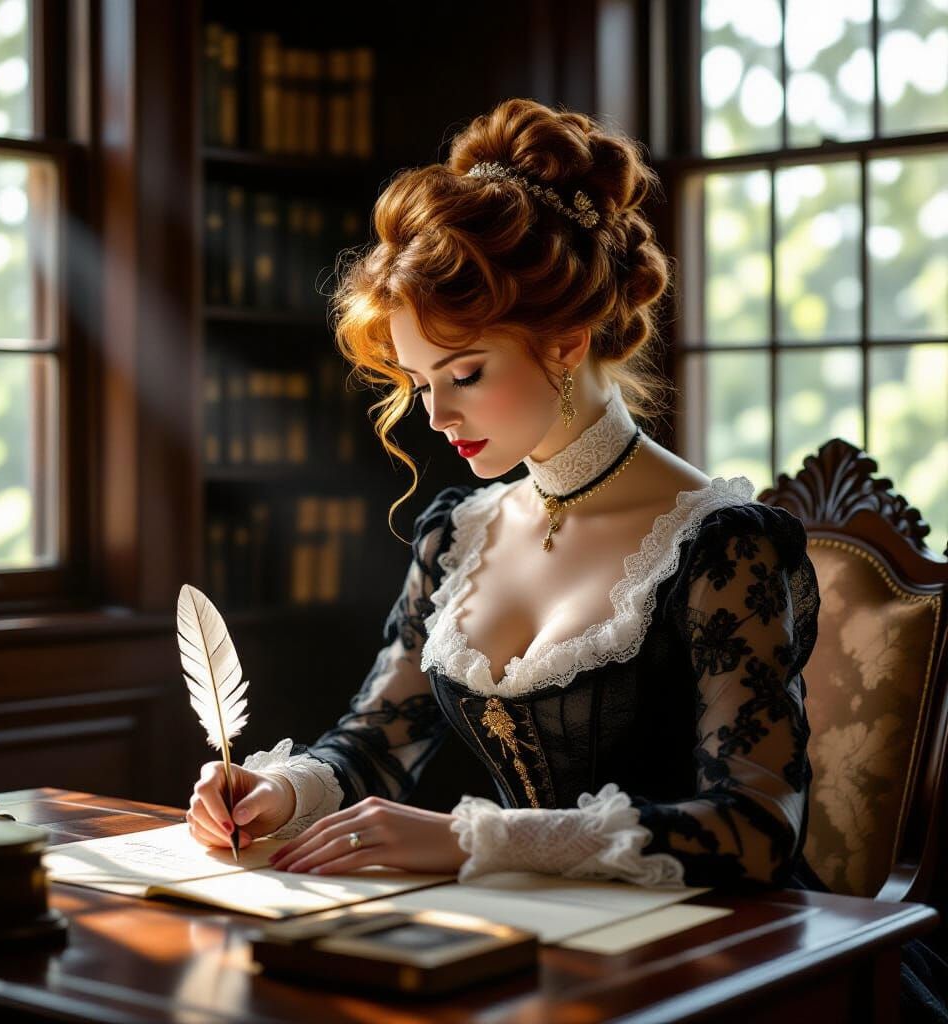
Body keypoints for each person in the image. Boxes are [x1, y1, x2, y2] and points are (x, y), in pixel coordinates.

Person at [186, 98, 947, 1020]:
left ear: (567, 342)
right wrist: (279, 790)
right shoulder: (454, 533)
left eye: (464, 373)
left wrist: (470, 840)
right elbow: (379, 740)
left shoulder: (724, 543)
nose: (436, 416)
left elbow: (754, 834)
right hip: (532, 948)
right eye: (421, 382)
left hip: (728, 967)